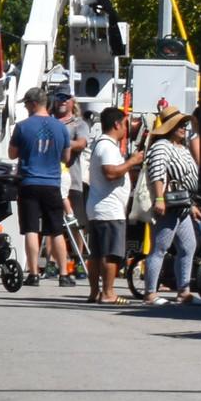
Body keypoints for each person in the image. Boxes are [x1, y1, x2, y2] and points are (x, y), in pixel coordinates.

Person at [8, 86, 73, 287]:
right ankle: (63, 274)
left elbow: (12, 154)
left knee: (31, 229)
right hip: (52, 183)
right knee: (56, 230)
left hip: (28, 183)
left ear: (33, 104)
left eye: (27, 103)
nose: (26, 107)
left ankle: (34, 273)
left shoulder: (22, 127)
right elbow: (67, 157)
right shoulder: (61, 127)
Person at [143, 104, 201, 306]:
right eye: (180, 125)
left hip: (182, 205)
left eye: (185, 124)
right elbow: (157, 173)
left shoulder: (182, 148)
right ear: (170, 127)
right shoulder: (162, 146)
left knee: (188, 246)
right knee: (160, 247)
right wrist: (159, 198)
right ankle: (150, 293)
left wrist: (191, 204)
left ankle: (183, 291)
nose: (184, 128)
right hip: (169, 204)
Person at [87, 106, 144, 304]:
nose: (125, 129)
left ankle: (95, 292)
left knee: (96, 253)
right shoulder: (108, 146)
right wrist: (132, 161)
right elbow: (110, 172)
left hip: (99, 207)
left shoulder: (101, 145)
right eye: (125, 125)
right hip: (109, 209)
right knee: (110, 253)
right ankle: (108, 292)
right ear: (117, 124)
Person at [53, 90, 90, 275]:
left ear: (72, 101)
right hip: (50, 180)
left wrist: (58, 142)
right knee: (53, 223)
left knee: (77, 223)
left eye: (65, 97)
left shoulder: (79, 123)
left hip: (72, 181)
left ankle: (78, 260)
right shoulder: (49, 120)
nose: (61, 100)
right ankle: (52, 262)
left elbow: (82, 143)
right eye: (58, 96)